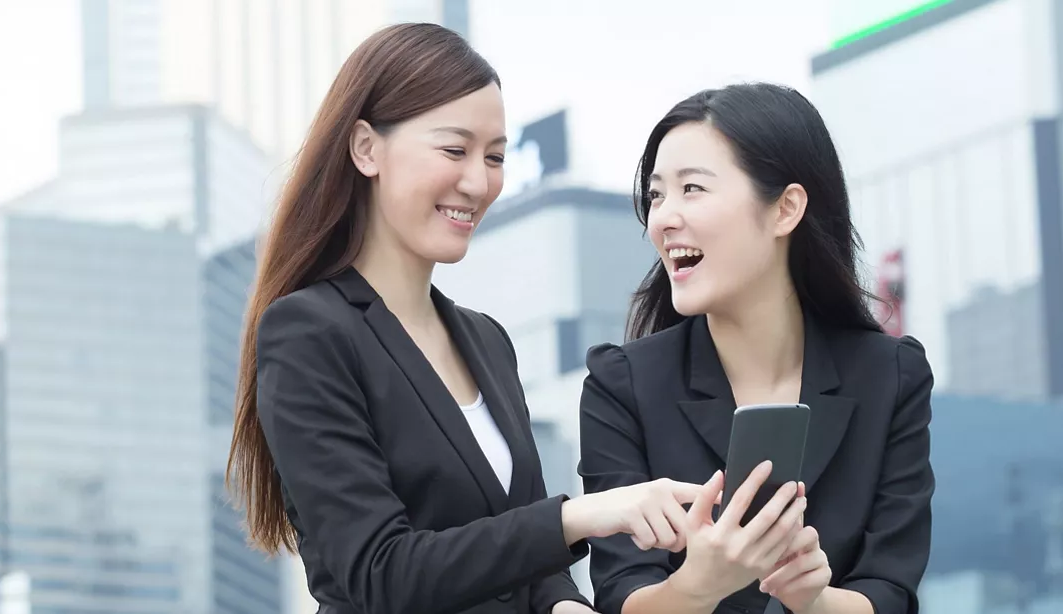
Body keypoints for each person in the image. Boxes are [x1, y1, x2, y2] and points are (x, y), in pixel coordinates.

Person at [226, 23, 708, 614]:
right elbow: (382, 573)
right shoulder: (309, 332)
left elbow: (528, 564)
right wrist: (578, 516)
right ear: (365, 148)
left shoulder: (485, 340)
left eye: (496, 157)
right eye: (454, 150)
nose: (478, 182)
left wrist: (564, 604)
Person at [578, 82, 934, 614]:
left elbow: (890, 593)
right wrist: (698, 584)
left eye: (692, 188)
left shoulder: (892, 377)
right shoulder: (621, 386)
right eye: (656, 194)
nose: (663, 218)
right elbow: (620, 595)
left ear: (785, 209)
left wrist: (812, 599)